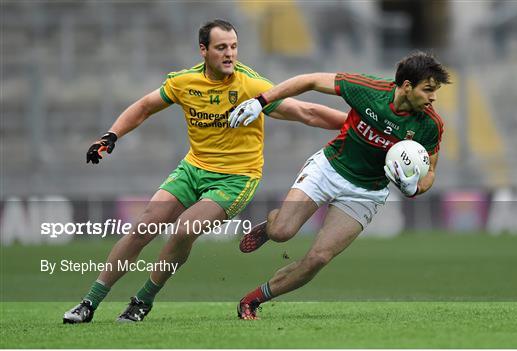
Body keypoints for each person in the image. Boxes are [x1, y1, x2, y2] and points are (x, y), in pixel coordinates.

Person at [63, 19, 347, 324]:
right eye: (221, 47)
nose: (230, 54)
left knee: (184, 229)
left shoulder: (252, 86)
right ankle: (89, 302)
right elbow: (144, 106)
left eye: (234, 47)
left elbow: (307, 112)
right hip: (193, 168)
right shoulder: (184, 82)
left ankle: (143, 300)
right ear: (203, 50)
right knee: (143, 226)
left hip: (237, 178)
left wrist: (354, 123)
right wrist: (111, 135)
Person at [228, 51, 450, 320]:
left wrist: (414, 187)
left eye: (435, 91)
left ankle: (253, 300)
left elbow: (430, 172)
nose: (433, 98)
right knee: (282, 231)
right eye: (428, 90)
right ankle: (271, 225)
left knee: (318, 258)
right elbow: (309, 80)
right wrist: (261, 101)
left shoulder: (430, 125)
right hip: (328, 169)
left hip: (366, 193)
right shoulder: (368, 90)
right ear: (406, 86)